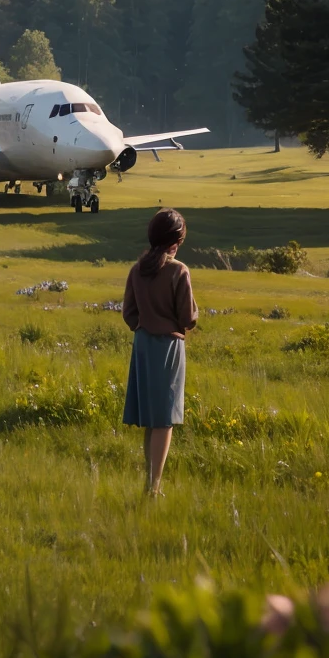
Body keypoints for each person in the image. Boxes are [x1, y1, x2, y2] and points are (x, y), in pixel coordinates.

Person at [122, 208, 198, 495]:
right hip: (168, 347)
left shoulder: (137, 269)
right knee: (164, 420)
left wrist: (144, 325)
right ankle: (153, 488)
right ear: (175, 241)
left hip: (142, 344)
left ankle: (149, 483)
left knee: (150, 420)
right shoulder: (179, 271)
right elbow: (188, 318)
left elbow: (129, 313)